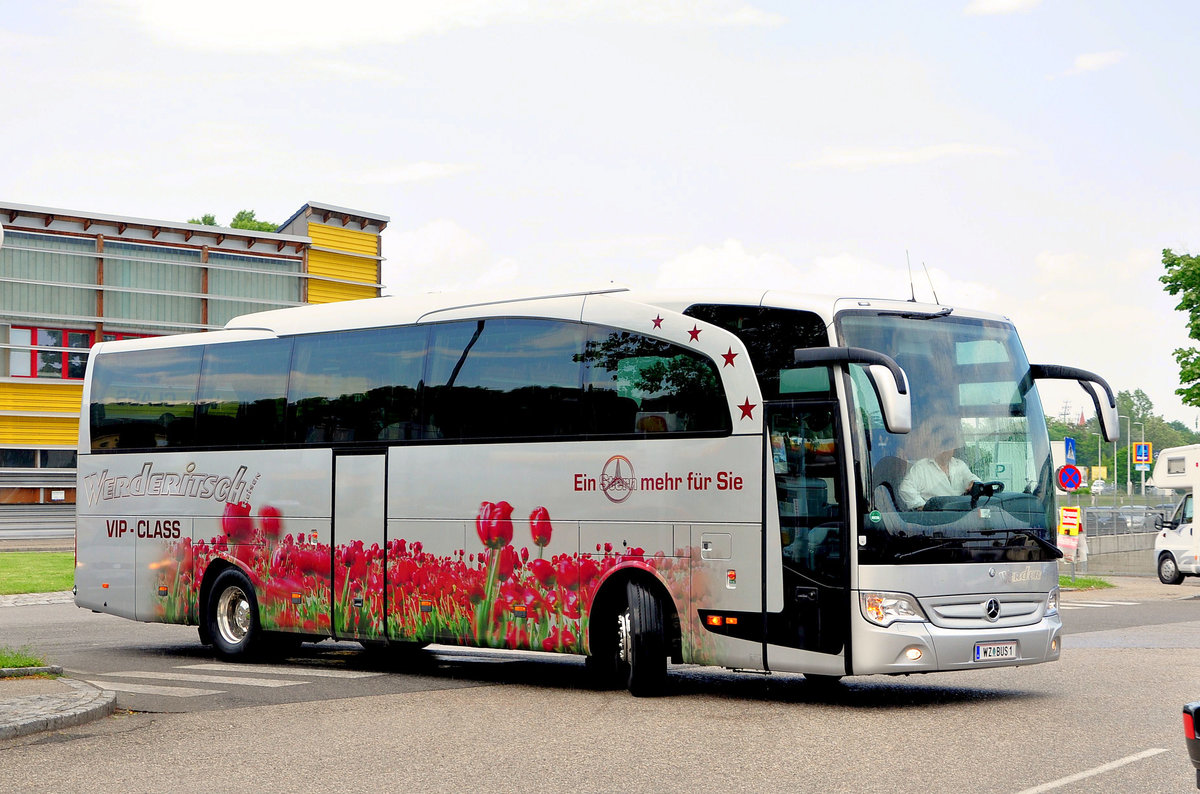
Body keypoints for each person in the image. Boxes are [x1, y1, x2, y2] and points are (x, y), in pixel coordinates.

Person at [898, 415, 981, 510]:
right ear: (936, 446)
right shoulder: (921, 467)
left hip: (961, 516)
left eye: (950, 445)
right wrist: (923, 506)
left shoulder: (959, 465)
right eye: (944, 444)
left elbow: (972, 479)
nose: (947, 449)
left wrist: (974, 483)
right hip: (936, 518)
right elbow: (905, 489)